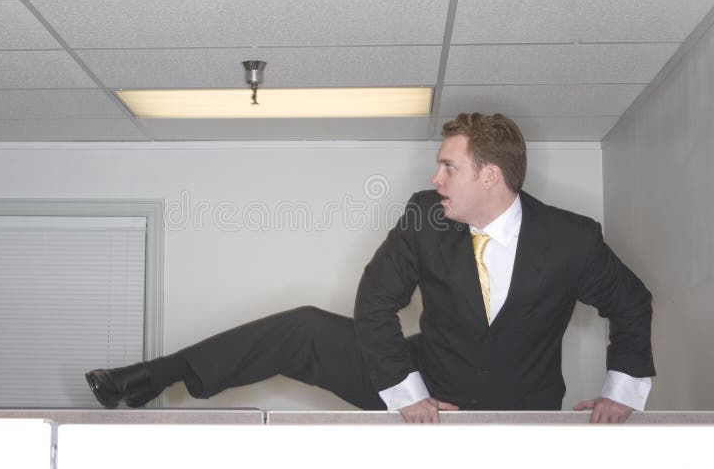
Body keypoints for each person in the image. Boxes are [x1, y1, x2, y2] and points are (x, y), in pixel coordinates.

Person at [86, 113, 655, 423]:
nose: (436, 179)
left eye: (447, 167)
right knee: (304, 325)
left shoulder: (571, 239)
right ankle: (149, 378)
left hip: (517, 408)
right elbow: (375, 303)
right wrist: (407, 392)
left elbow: (631, 304)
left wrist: (622, 391)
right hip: (421, 376)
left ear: (489, 176)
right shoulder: (425, 215)